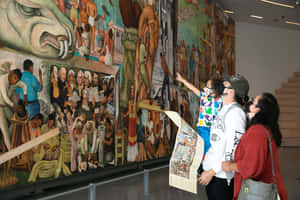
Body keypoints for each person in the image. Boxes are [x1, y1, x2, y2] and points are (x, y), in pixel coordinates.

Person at [221, 93, 288, 200]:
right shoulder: (267, 129)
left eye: (253, 102)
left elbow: (250, 167)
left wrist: (229, 166)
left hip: (256, 191)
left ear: (259, 110)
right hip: (268, 188)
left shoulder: (257, 131)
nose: (249, 104)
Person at [198, 74, 249, 200]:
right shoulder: (224, 109)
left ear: (232, 91)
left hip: (221, 178)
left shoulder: (236, 114)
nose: (221, 86)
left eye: (225, 84)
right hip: (212, 173)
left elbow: (233, 149)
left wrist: (212, 171)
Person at [176, 72, 223, 155]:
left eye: (208, 87)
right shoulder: (204, 96)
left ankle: (207, 160)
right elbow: (193, 89)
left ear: (215, 90)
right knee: (206, 145)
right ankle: (203, 161)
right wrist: (182, 80)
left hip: (214, 128)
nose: (205, 88)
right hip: (203, 127)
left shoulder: (220, 100)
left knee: (213, 145)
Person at [0, 69, 27, 151]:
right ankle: (10, 151)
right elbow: (5, 97)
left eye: (17, 80)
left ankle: (6, 143)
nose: (15, 82)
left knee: (14, 122)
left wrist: (25, 96)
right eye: (14, 78)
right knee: (5, 130)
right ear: (10, 74)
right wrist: (14, 106)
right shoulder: (2, 79)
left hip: (6, 107)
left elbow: (24, 85)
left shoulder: (15, 82)